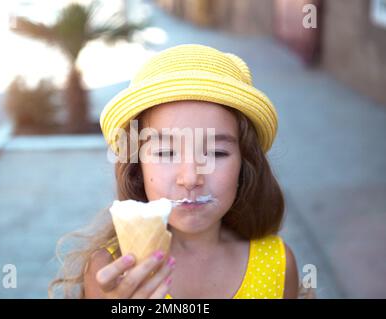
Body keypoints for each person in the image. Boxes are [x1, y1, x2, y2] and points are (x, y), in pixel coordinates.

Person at [50, 44, 300, 299]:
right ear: (137, 166)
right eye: (166, 153)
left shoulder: (279, 265)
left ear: (245, 164)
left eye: (216, 153)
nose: (191, 178)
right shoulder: (111, 273)